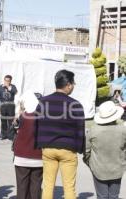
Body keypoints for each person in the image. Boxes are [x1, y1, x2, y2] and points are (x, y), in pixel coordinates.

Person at [35, 70, 85, 199]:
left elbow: (36, 124)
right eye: (73, 83)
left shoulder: (43, 102)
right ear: (68, 85)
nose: (73, 86)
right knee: (69, 187)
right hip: (68, 149)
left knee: (47, 185)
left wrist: (38, 144)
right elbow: (80, 129)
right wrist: (79, 148)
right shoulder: (75, 105)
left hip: (48, 148)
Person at [84, 101, 126, 199]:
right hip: (117, 168)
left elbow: (86, 151)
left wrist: (90, 164)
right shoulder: (123, 130)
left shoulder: (93, 130)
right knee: (114, 196)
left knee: (101, 196)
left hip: (98, 169)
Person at [13, 91, 43, 199]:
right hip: (38, 157)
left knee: (22, 188)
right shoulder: (42, 117)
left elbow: (15, 129)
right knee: (36, 187)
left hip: (21, 157)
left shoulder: (22, 116)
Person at [0, 75, 18, 140]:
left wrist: (8, 87)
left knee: (11, 121)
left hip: (11, 106)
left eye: (8, 81)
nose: (6, 82)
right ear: (4, 80)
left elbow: (16, 92)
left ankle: (11, 136)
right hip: (3, 106)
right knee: (3, 121)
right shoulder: (0, 87)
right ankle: (4, 135)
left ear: (10, 81)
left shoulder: (13, 87)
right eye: (5, 80)